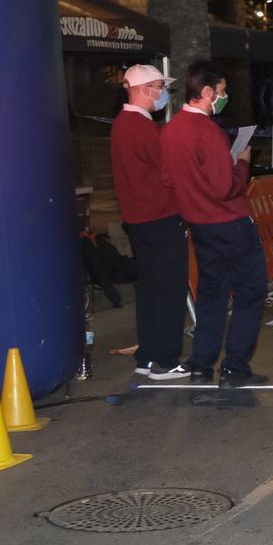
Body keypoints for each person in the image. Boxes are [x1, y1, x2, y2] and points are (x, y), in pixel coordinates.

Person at [159, 61, 267, 385]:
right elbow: (225, 188)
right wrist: (242, 164)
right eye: (221, 92)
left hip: (199, 224)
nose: (224, 97)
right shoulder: (209, 132)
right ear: (206, 93)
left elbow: (167, 177)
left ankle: (201, 363)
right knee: (250, 292)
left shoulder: (171, 129)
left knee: (211, 294)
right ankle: (235, 367)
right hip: (231, 223)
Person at [108, 64, 190, 381]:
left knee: (151, 291)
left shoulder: (122, 124)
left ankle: (148, 357)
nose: (162, 93)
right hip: (161, 218)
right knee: (168, 291)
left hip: (140, 220)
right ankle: (165, 361)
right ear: (143, 89)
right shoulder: (142, 128)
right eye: (159, 87)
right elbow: (169, 171)